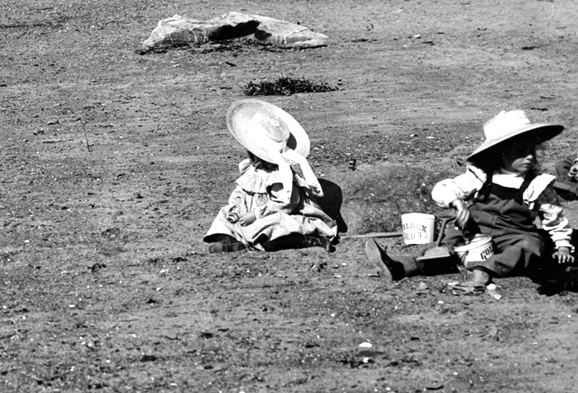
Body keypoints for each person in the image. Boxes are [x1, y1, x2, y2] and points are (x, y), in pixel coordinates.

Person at [366, 110, 575, 294]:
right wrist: (456, 202)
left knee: (530, 246)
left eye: (532, 151)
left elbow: (554, 218)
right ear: (500, 153)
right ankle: (402, 266)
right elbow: (445, 188)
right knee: (446, 249)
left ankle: (483, 271)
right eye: (520, 152)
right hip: (475, 230)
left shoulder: (538, 184)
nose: (529, 157)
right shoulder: (481, 176)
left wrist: (563, 246)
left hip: (514, 234)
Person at [203, 100, 337, 253]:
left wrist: (256, 214)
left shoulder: (280, 176)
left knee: (271, 231)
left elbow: (286, 204)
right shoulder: (251, 168)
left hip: (271, 214)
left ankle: (310, 240)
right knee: (224, 215)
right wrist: (236, 209)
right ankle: (230, 241)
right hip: (247, 213)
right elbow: (240, 192)